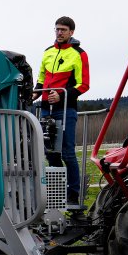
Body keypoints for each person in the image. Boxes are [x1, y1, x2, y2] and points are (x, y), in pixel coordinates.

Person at [35, 16, 90, 206]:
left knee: (67, 153)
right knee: (51, 153)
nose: (59, 33)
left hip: (65, 110)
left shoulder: (79, 54)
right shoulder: (47, 52)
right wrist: (35, 93)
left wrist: (61, 96)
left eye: (63, 30)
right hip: (45, 110)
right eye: (57, 29)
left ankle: (73, 194)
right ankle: (57, 194)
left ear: (71, 32)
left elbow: (84, 85)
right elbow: (41, 79)